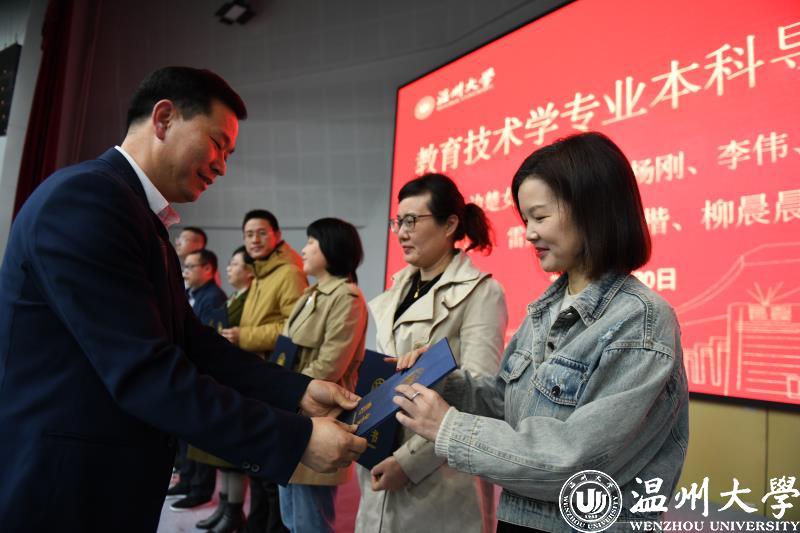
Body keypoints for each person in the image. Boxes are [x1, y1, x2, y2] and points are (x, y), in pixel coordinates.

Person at [0, 66, 366, 533]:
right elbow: (144, 370)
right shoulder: (86, 200)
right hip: (61, 485)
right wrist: (296, 438)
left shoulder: (137, 215)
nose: (222, 166)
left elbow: (192, 343)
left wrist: (297, 392)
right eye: (217, 144)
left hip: (100, 479)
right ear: (164, 118)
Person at [393, 132, 690, 533]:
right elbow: (506, 405)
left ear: (592, 211)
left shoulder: (641, 321)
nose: (529, 233)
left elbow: (576, 461)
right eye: (525, 220)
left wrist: (450, 428)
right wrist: (443, 382)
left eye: (540, 217)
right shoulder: (546, 309)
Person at [355, 173, 508, 533]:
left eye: (412, 221)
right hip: (381, 453)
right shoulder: (399, 288)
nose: (401, 233)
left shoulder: (482, 293)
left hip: (439, 471)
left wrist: (408, 463)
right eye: (397, 222)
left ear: (449, 224)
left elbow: (479, 396)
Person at [278, 218, 369, 533]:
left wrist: (285, 389)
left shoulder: (347, 297)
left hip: (319, 418)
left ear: (331, 247)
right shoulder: (310, 293)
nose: (303, 250)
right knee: (292, 517)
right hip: (292, 410)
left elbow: (330, 365)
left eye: (311, 243)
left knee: (310, 521)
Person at [220, 209, 308, 533]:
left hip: (273, 377)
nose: (254, 240)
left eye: (261, 233)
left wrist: (245, 336)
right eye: (248, 234)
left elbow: (293, 328)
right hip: (256, 375)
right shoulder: (260, 272)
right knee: (257, 468)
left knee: (271, 474)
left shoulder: (288, 273)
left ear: (277, 235)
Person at [188, 246, 257, 532]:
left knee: (234, 457)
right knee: (224, 456)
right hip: (224, 377)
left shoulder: (246, 298)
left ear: (250, 272)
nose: (228, 269)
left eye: (235, 264)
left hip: (239, 378)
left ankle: (233, 511)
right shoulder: (235, 296)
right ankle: (226, 507)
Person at [170, 248, 230, 511]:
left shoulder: (213, 297)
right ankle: (187, 481)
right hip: (187, 371)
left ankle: (200, 489)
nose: (185, 272)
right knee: (186, 437)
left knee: (200, 438)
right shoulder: (191, 294)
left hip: (200, 374)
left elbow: (205, 339)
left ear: (207, 269)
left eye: (190, 267)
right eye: (184, 267)